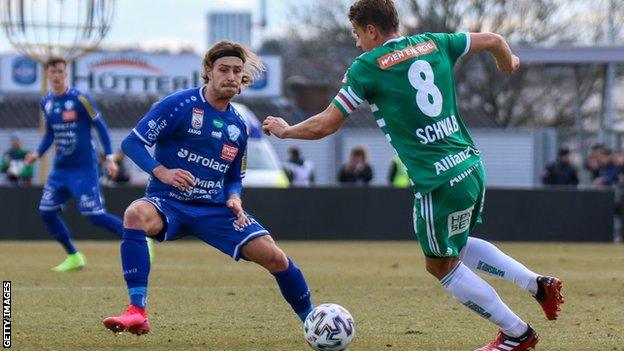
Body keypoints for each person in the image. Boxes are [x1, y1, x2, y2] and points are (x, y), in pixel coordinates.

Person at [263, 1, 563, 350]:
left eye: (358, 35)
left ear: (371, 30)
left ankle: (517, 334)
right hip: (469, 165)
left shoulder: (368, 66)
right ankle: (537, 285)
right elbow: (495, 39)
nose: (358, 43)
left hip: (436, 182)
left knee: (440, 266)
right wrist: (507, 63)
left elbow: (326, 124)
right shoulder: (436, 42)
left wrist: (286, 131)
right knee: (458, 246)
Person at [102, 41, 313, 336]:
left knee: (276, 257)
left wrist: (235, 199)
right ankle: (137, 311)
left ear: (243, 78)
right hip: (169, 202)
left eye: (237, 71)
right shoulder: (178, 105)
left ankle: (314, 322)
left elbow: (234, 177)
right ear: (208, 72)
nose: (230, 76)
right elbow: (132, 143)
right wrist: (161, 172)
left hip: (215, 209)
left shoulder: (238, 126)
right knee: (135, 214)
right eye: (223, 69)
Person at [24, 57, 140, 272]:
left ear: (66, 73)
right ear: (47, 75)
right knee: (46, 212)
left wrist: (109, 157)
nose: (57, 75)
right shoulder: (46, 102)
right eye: (53, 72)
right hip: (60, 169)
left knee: (94, 216)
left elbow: (101, 127)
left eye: (60, 71)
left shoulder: (80, 99)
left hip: (84, 168)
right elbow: (50, 133)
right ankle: (74, 256)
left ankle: (139, 239)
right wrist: (37, 153)